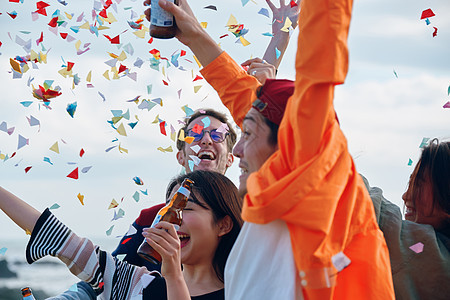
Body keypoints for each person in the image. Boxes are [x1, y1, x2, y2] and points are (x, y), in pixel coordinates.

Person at [156, 0, 396, 298]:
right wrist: (194, 36)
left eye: (250, 133)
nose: (238, 149)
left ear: (291, 146)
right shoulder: (265, 205)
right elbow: (241, 95)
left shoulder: (320, 193)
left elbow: (319, 61)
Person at [50, 108, 237, 300]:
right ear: (180, 156)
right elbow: (105, 274)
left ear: (232, 157)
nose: (205, 140)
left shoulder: (251, 221)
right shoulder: (150, 218)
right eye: (195, 134)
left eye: (217, 135)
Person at [0, 170, 243, 300]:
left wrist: (174, 278)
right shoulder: (137, 285)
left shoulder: (248, 291)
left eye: (185, 209)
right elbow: (63, 241)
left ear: (224, 225)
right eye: (167, 209)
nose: (171, 219)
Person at [363, 139, 450, 299]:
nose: (405, 196)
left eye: (418, 185)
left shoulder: (424, 250)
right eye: (410, 183)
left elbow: (371, 213)